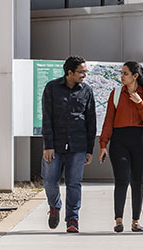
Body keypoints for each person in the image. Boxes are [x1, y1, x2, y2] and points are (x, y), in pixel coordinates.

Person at [99, 61, 143, 233]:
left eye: (125, 73)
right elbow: (108, 121)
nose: (122, 76)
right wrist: (103, 144)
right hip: (119, 141)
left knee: (137, 181)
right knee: (121, 180)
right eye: (121, 73)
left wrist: (140, 103)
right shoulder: (116, 94)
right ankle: (118, 220)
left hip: (141, 141)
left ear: (135, 76)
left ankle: (135, 221)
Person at [41, 56, 96, 233]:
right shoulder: (52, 88)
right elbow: (47, 118)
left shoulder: (87, 91)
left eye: (85, 72)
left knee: (74, 183)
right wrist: (48, 145)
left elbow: (91, 122)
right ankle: (54, 206)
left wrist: (89, 149)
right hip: (55, 145)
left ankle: (72, 220)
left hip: (78, 146)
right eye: (81, 72)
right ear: (70, 72)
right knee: (50, 181)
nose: (84, 75)